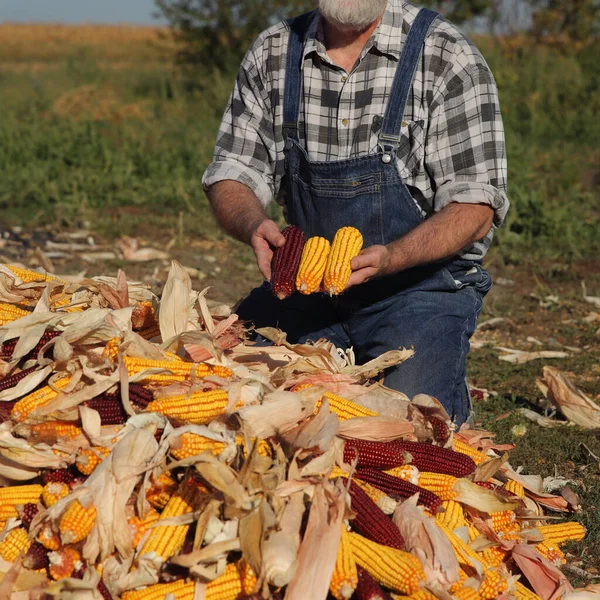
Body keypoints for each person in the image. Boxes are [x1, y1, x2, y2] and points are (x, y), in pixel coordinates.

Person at [202, 0, 509, 425]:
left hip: (417, 291)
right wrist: (253, 223)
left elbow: (475, 206)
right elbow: (232, 171)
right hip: (311, 291)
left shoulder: (446, 55)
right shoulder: (274, 52)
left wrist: (393, 257)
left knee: (404, 424)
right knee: (225, 381)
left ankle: (445, 387)